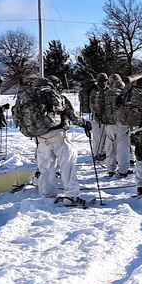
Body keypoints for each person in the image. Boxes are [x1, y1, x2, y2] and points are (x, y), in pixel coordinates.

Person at [13, 76, 90, 206]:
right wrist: (84, 124)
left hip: (40, 139)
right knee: (68, 166)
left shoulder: (25, 97)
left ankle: (48, 196)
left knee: (46, 169)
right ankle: (71, 196)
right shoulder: (51, 94)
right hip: (58, 136)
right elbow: (70, 112)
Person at [98, 74, 131, 178]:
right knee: (122, 148)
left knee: (110, 147)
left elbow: (97, 107)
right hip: (122, 125)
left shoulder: (105, 93)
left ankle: (110, 168)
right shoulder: (124, 94)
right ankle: (123, 170)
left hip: (108, 124)